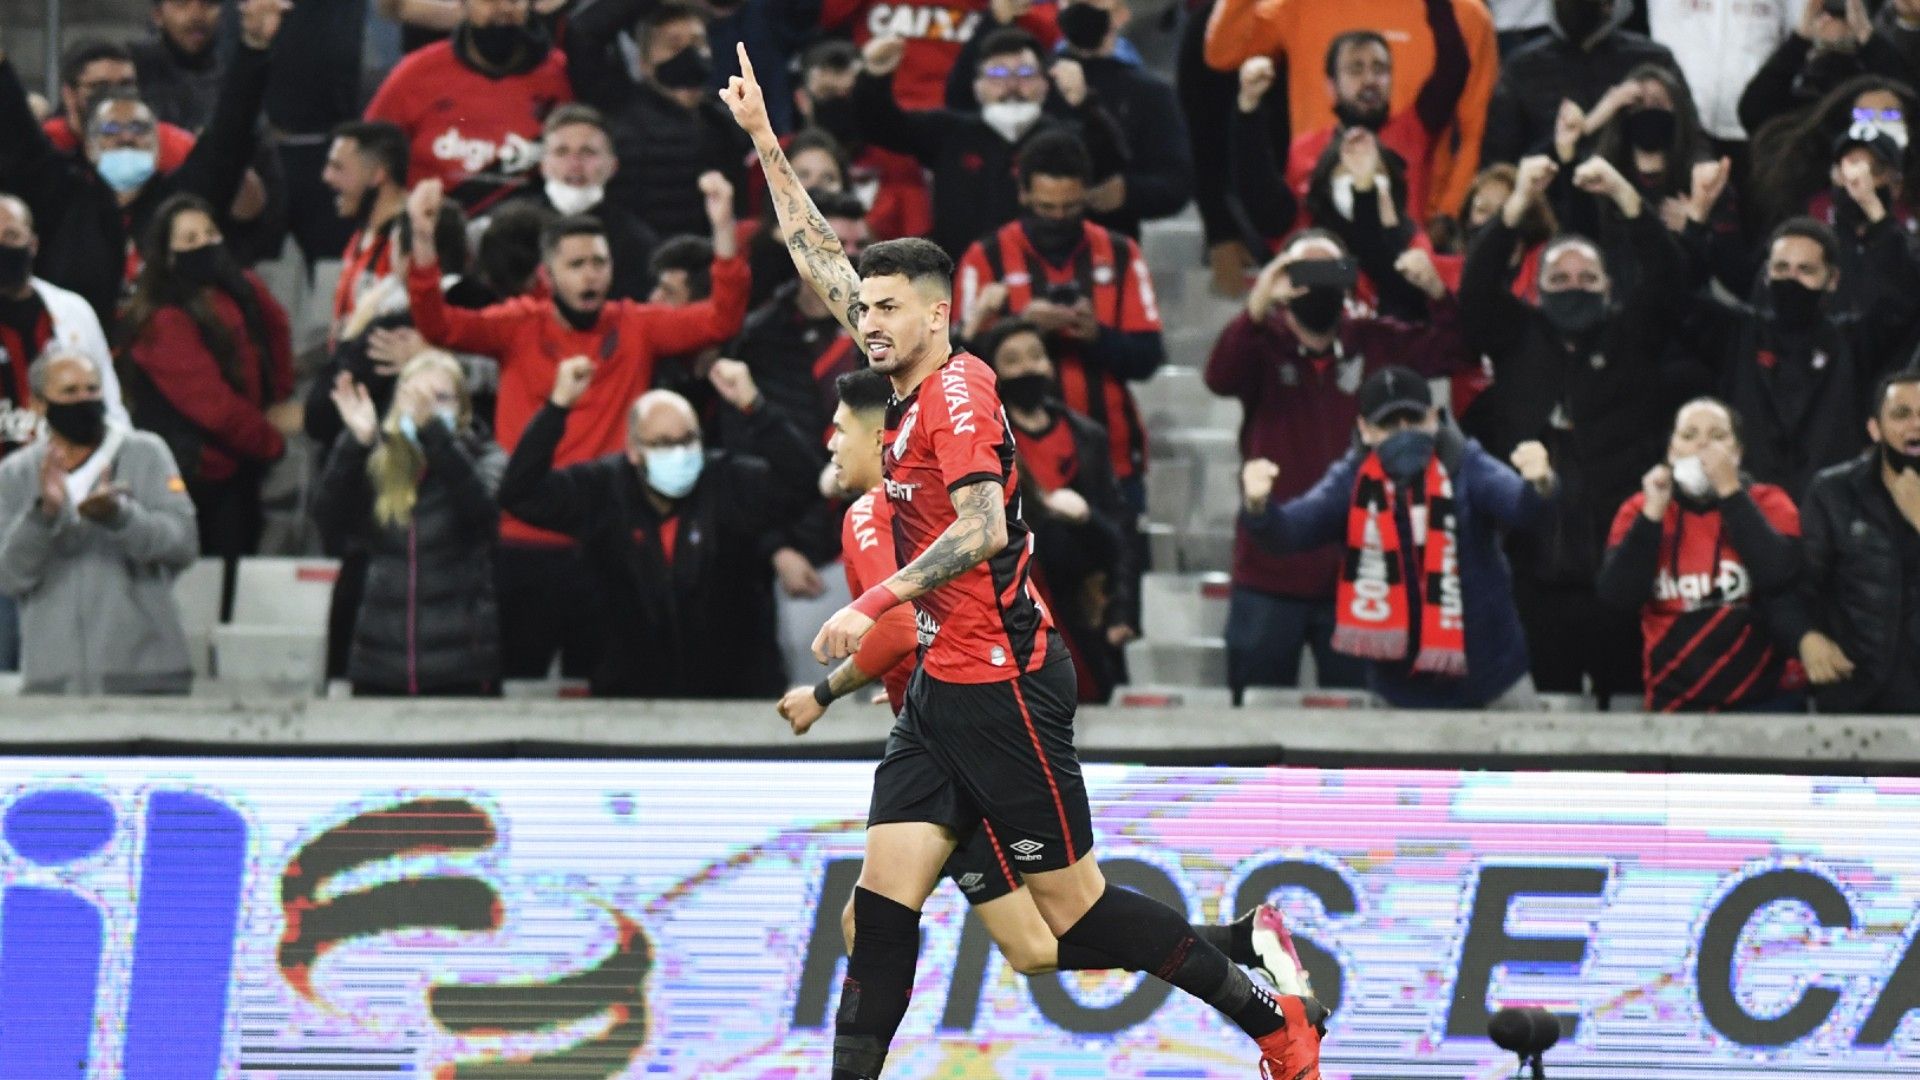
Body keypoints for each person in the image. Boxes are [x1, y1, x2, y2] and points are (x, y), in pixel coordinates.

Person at [721, 43, 1328, 1080]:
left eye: (886, 309)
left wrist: (871, 599)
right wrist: (766, 141)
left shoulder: (957, 394)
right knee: (882, 907)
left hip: (1002, 680)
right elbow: (818, 256)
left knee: (1071, 920)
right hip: (939, 692)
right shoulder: (899, 373)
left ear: (936, 313)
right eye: (863, 310)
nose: (867, 322)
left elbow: (984, 529)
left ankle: (1272, 1019)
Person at [778, 364, 1305, 990]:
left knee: (922, 923)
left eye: (839, 429)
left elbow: (894, 627)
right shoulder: (927, 499)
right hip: (963, 722)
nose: (830, 443)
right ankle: (1244, 942)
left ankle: (1246, 958)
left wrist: (822, 693)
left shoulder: (870, 514)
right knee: (1031, 945)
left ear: (877, 438)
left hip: (959, 740)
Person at [403, 173, 749, 684]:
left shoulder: (636, 325)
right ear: (548, 274)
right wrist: (423, 240)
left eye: (600, 263)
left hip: (606, 544)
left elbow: (721, 320)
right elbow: (438, 325)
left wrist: (722, 229)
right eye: (577, 264)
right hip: (523, 542)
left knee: (605, 690)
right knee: (512, 685)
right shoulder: (518, 325)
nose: (591, 275)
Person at [1460, 153, 1688, 702]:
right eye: (1559, 278)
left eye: (1588, 278)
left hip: (1622, 565)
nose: (1574, 286)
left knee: (1631, 707)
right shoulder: (1516, 336)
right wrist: (1518, 203)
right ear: (1536, 290)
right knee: (1549, 714)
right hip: (1534, 567)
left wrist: (1625, 195)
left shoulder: (1631, 338)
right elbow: (1476, 288)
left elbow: (1670, 278)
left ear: (1609, 288)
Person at [1206, 230, 1463, 700]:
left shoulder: (1375, 341)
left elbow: (1453, 351)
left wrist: (1437, 295)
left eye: (1329, 271)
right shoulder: (1262, 344)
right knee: (1251, 715)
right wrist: (1257, 306)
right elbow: (1219, 377)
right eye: (1304, 272)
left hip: (1361, 573)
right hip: (1269, 571)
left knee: (1358, 721)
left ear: (1347, 281)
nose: (1317, 285)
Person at [1240, 366, 1558, 709]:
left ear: (1434, 418)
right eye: (1389, 424)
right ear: (1365, 429)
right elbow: (1289, 532)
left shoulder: (1468, 463)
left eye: (1414, 419)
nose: (1404, 432)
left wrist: (1540, 483)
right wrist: (1258, 507)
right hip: (1398, 690)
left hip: (1494, 679)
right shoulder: (1349, 481)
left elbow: (1522, 507)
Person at [499, 356, 817, 696]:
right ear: (634, 450)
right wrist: (557, 407)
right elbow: (520, 494)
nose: (679, 453)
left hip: (733, 694)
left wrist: (756, 408)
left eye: (688, 439)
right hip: (631, 699)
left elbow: (803, 482)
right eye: (663, 443)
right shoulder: (604, 489)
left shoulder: (726, 481)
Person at [0, 0, 284, 320]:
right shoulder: (65, 199)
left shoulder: (179, 197)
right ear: (90, 148)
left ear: (158, 145)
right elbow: (19, 135)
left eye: (138, 128)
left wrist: (254, 48)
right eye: (111, 130)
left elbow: (229, 135)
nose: (126, 137)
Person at [955, 130, 1163, 508]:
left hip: (1110, 457)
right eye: (1046, 208)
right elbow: (957, 371)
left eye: (1069, 207)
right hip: (1010, 460)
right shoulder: (985, 258)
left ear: (1086, 195)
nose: (1058, 218)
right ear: (1024, 195)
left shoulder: (1121, 254)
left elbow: (1149, 356)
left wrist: (1097, 336)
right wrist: (1020, 328)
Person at [0, 349, 197, 694]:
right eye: (70, 391)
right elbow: (9, 577)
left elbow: (183, 543)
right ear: (38, 404)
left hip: (146, 678)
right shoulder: (16, 474)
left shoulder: (145, 453)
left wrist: (121, 517)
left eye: (92, 389)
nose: (84, 399)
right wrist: (43, 516)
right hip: (54, 684)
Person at [1681, 215, 1920, 500]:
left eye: (1805, 270)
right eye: (1781, 268)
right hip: (1746, 506)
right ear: (1766, 274)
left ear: (1832, 279)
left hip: (1830, 510)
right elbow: (1680, 295)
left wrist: (1879, 222)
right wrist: (1695, 224)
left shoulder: (1854, 342)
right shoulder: (1736, 334)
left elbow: (1904, 300)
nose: (1791, 280)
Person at [120, 193, 298, 570]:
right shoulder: (162, 320)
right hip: (194, 476)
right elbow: (214, 407)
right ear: (168, 256)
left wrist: (277, 399)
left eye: (210, 233)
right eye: (190, 239)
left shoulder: (236, 289)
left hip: (240, 465)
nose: (205, 245)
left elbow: (276, 333)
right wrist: (269, 440)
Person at [313, 353, 506, 697]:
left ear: (463, 409)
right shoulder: (379, 462)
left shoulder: (487, 457)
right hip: (380, 666)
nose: (424, 410)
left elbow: (483, 514)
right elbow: (330, 521)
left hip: (461, 667)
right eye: (415, 398)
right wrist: (355, 444)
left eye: (440, 399)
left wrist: (435, 436)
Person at [1596, 398, 1806, 712]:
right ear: (1672, 451)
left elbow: (1779, 575)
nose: (1703, 445)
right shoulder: (1640, 509)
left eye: (1718, 436)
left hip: (1764, 700)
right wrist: (1652, 516)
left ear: (1737, 453)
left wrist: (1731, 492)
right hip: (1674, 704)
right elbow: (1617, 597)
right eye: (1689, 435)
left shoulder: (1770, 502)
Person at [1204, 0, 1501, 217]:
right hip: (1315, 218)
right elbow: (1222, 53)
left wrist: (1449, 213)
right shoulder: (1298, 5)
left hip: (1413, 221)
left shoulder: (1462, 14)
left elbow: (1477, 131)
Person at [853, 29, 1128, 257]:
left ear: (1045, 84)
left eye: (1025, 73)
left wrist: (1086, 104)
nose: (1012, 85)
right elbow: (882, 127)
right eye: (997, 74)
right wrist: (874, 78)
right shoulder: (949, 132)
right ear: (978, 87)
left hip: (1049, 274)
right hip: (959, 277)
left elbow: (1112, 164)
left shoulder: (1064, 137)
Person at [975, 319, 1138, 702]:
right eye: (1013, 360)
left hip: (1083, 608)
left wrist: (1122, 611)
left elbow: (1119, 531)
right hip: (1013, 611)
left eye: (1035, 356)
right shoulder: (984, 441)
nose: (1027, 368)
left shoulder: (1086, 435)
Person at [946, 0, 1193, 238]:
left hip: (1103, 245)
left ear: (1121, 13)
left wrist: (1128, 193)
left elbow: (1176, 182)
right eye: (1073, 1)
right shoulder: (1031, 78)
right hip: (1016, 242)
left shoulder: (1150, 93)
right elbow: (961, 105)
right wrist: (994, 21)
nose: (1082, 7)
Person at [1778, 371, 1920, 713]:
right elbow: (1796, 586)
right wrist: (1806, 637)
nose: (1916, 425)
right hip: (1859, 693)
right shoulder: (1834, 492)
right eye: (1902, 414)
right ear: (1875, 429)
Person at [564, 0, 752, 240]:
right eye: (674, 45)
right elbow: (583, 32)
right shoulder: (615, 104)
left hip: (703, 253)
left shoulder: (725, 118)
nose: (689, 54)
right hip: (635, 252)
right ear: (644, 63)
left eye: (697, 43)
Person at [363, 0, 573, 211]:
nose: (502, 9)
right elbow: (366, 157)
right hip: (428, 222)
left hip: (530, 224)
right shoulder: (415, 73)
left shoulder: (562, 76)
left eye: (513, 0)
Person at [1277, 4, 1470, 228]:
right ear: (1331, 86)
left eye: (1379, 69)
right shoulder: (1304, 151)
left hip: (1403, 249)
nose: (1369, 80)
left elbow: (1454, 66)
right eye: (1356, 69)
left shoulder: (1415, 130)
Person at [0, 193, 129, 457]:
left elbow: (109, 402)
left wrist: (122, 462)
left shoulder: (73, 310)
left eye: (11, 235)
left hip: (77, 468)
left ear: (33, 244)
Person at [1483, 0, 1683, 168]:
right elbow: (1500, 164)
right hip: (1549, 194)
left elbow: (1687, 141)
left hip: (1632, 193)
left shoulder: (1651, 60)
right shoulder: (1522, 68)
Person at [784, 38, 932, 242]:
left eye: (849, 94)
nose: (839, 104)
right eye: (828, 93)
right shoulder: (772, 156)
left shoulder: (899, 163)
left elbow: (918, 242)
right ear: (802, 100)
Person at [511, 103, 659, 302]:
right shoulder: (511, 232)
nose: (574, 164)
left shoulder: (637, 241)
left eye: (587, 152)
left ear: (612, 165)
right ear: (543, 165)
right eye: (561, 152)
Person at [820, 0, 1061, 111]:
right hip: (880, 120)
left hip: (966, 120)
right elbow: (824, 16)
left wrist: (1003, 15)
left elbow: (1055, 35)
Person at [323, 120, 413, 343]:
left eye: (338, 167)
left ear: (377, 174)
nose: (327, 177)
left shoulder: (412, 241)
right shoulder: (362, 234)